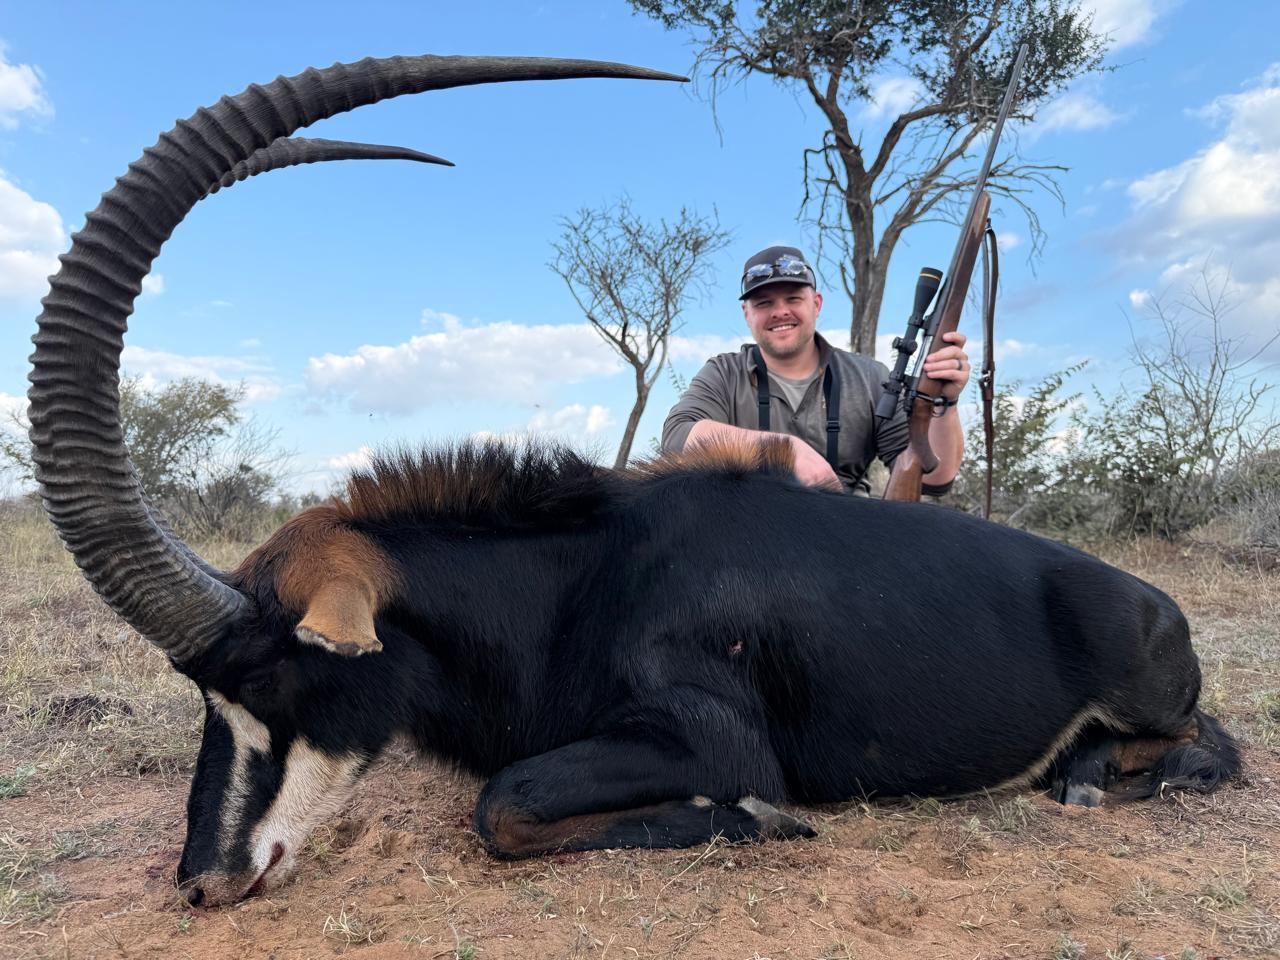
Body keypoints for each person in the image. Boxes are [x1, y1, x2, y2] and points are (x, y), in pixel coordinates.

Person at [661, 245, 969, 495]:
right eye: (764, 303)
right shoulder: (723, 373)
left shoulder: (870, 377)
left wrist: (944, 403)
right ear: (747, 314)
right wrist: (783, 451)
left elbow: (935, 479)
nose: (780, 311)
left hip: (842, 538)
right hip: (749, 537)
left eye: (793, 298)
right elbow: (677, 437)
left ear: (817, 304)